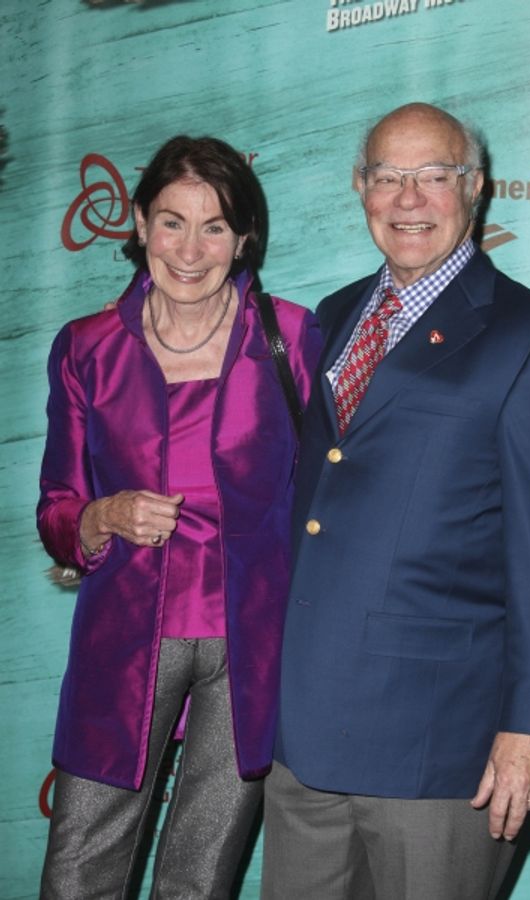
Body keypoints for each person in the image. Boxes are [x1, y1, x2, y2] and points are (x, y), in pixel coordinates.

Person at [261, 102, 530, 900]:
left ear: (474, 187)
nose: (409, 198)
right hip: (302, 738)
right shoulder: (336, 317)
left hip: (440, 750)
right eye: (388, 176)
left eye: (433, 176)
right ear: (360, 187)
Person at [37, 134, 321, 899]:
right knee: (78, 872)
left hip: (252, 644)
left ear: (244, 237)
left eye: (216, 226)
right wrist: (103, 514)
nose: (191, 249)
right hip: (125, 637)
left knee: (200, 881)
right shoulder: (86, 348)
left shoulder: (291, 336)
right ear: (136, 223)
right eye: (172, 221)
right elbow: (56, 510)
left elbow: (327, 492)